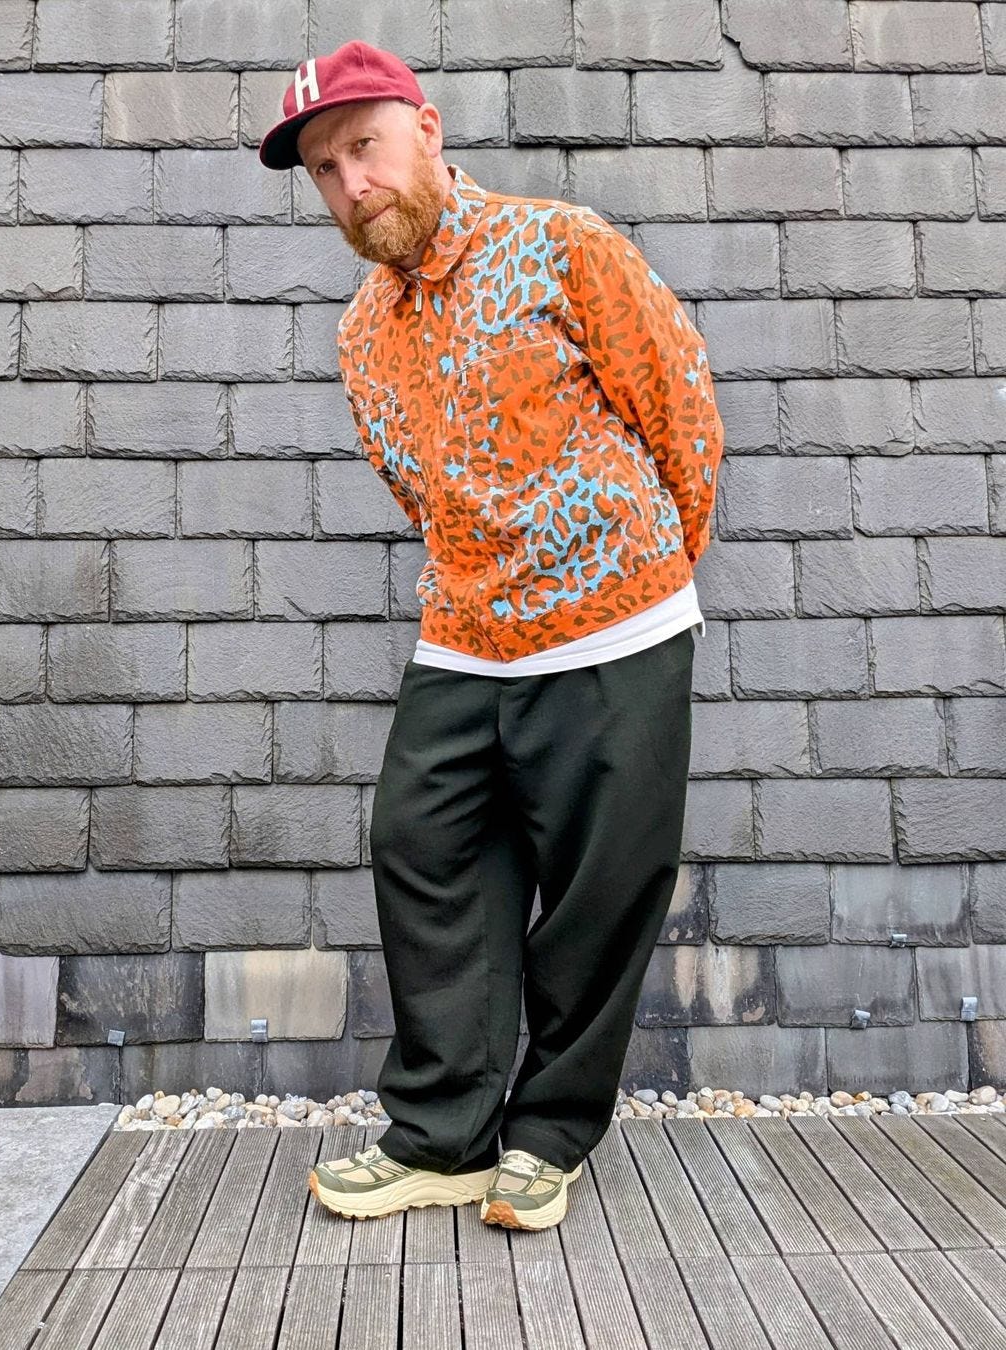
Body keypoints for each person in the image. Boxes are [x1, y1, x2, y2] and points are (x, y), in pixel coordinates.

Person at [259, 39, 725, 1232]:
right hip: (466, 637)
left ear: (426, 127)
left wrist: (647, 578)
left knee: (596, 894)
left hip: (618, 629)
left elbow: (680, 409)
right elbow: (418, 492)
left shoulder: (563, 247)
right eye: (323, 169)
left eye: (362, 146)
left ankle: (550, 1137)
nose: (350, 184)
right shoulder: (363, 334)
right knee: (421, 850)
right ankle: (443, 1134)